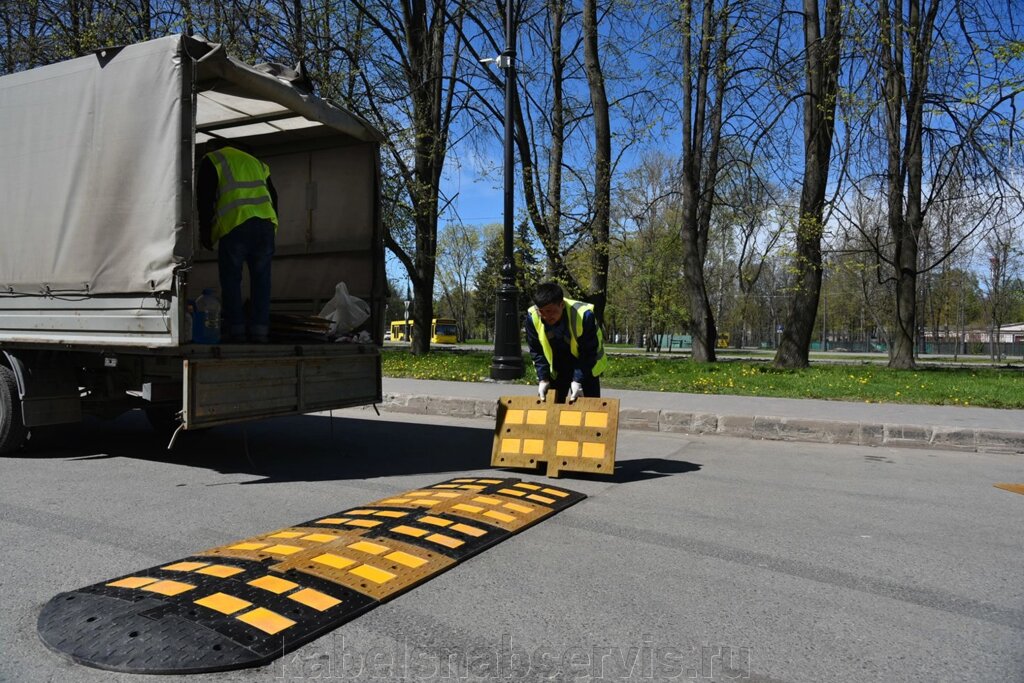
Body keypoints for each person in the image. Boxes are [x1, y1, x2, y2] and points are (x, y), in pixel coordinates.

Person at [197, 141, 279, 343]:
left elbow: (204, 199)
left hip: (236, 224)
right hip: (265, 225)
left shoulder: (214, 159)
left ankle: (236, 330)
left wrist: (205, 232)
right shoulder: (257, 163)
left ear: (211, 149)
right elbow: (274, 197)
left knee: (232, 279)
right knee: (262, 280)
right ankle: (260, 331)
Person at [524, 282, 607, 403]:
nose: (546, 316)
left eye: (550, 311)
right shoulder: (533, 317)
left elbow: (588, 352)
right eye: (541, 311)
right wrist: (543, 379)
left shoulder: (584, 316)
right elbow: (537, 351)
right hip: (558, 367)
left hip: (585, 365)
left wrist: (578, 380)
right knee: (552, 409)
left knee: (589, 410)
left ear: (561, 305)